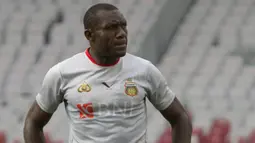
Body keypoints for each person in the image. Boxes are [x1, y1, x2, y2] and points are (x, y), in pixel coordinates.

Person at [23, 3, 192, 143]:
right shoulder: (62, 73)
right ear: (90, 35)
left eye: (123, 25)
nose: (121, 34)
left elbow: (180, 117)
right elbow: (33, 122)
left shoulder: (144, 70)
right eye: (111, 28)